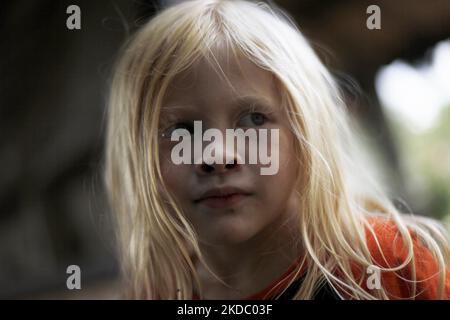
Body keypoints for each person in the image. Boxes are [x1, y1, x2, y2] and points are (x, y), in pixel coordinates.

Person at [104, 0, 450, 299]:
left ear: (304, 131)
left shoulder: (391, 265)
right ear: (139, 156)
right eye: (182, 130)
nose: (218, 156)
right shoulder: (159, 292)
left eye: (254, 120)